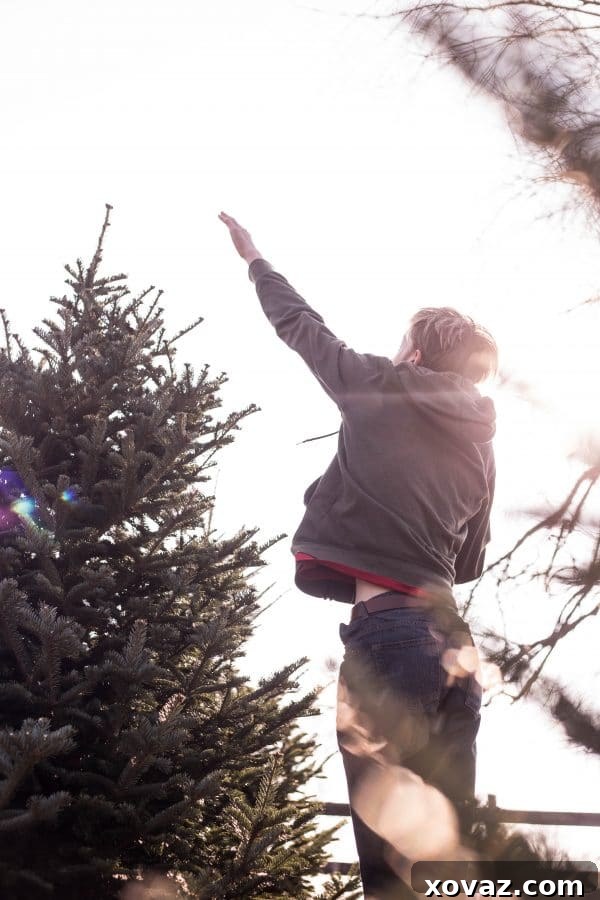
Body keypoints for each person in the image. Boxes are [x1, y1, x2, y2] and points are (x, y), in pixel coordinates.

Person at [219, 211, 497, 899]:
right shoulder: (483, 444)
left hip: (391, 638)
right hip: (455, 646)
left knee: (388, 867)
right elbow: (469, 561)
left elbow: (304, 330)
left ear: (414, 356)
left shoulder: (380, 388)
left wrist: (257, 261)